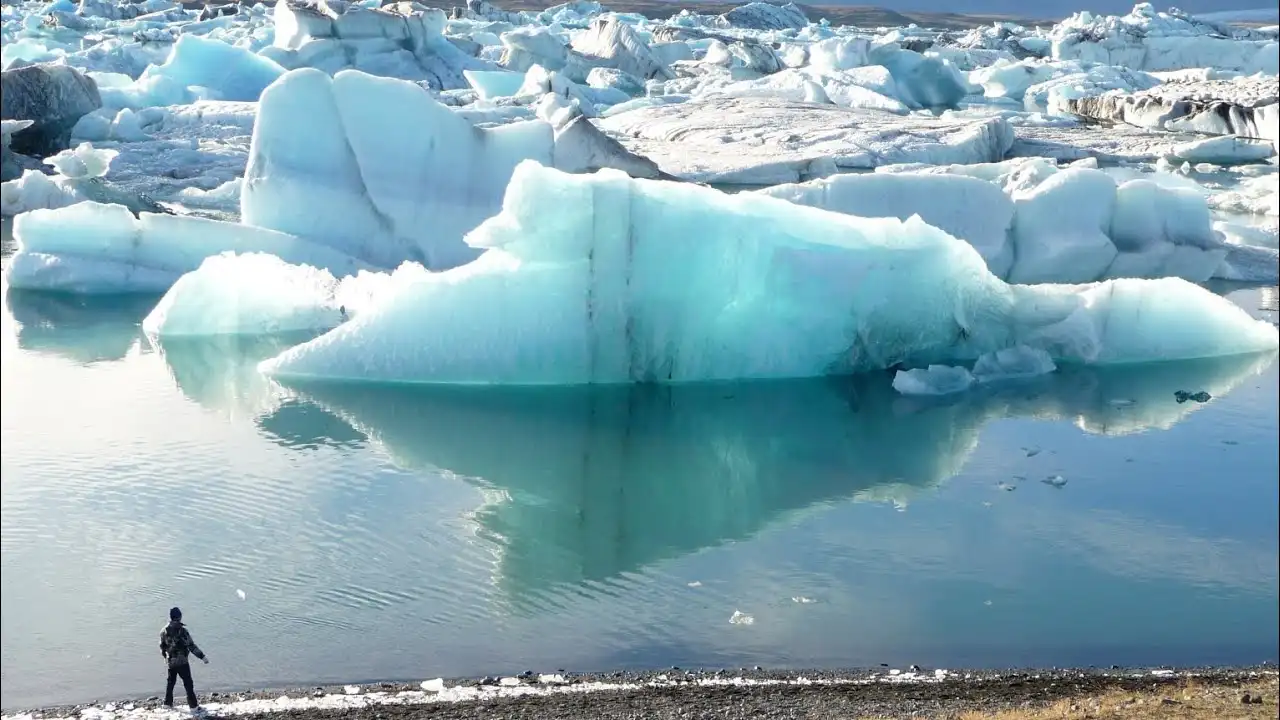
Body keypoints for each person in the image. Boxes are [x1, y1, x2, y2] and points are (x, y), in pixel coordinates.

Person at [160, 607, 209, 709]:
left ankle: (167, 704)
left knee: (170, 683)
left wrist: (165, 657)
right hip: (182, 662)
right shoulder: (182, 631)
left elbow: (162, 646)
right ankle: (193, 706)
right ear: (179, 617)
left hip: (171, 662)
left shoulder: (163, 631)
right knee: (188, 684)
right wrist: (202, 656)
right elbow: (191, 646)